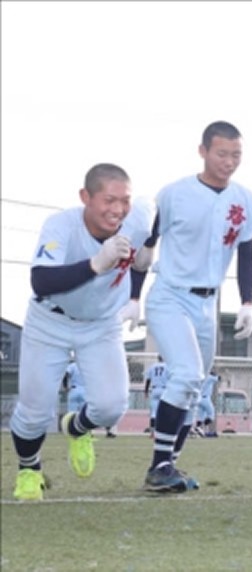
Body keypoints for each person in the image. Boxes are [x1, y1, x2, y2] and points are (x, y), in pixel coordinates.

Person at [9, 163, 153, 501]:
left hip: (101, 323)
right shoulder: (61, 225)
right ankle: (29, 469)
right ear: (85, 197)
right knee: (34, 411)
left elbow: (152, 223)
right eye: (109, 200)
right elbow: (41, 281)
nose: (118, 209)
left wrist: (136, 293)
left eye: (124, 200)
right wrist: (95, 264)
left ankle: (76, 427)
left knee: (111, 407)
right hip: (50, 321)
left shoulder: (138, 217)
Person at [142, 121, 252, 493]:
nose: (229, 162)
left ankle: (169, 465)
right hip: (170, 294)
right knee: (185, 374)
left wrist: (247, 302)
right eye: (222, 153)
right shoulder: (174, 194)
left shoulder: (245, 199)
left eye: (236, 155)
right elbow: (146, 245)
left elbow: (247, 253)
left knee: (195, 387)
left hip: (209, 303)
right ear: (203, 151)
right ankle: (159, 467)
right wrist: (132, 298)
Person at [63, 360, 118, 438]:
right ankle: (87, 431)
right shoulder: (88, 366)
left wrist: (65, 386)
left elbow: (66, 375)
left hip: (74, 390)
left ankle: (70, 430)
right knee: (85, 413)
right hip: (86, 391)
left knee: (71, 413)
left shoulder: (73, 366)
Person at [144, 355, 168, 435]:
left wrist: (146, 391)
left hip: (154, 389)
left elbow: (148, 380)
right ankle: (163, 430)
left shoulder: (152, 367)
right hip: (164, 389)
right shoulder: (168, 367)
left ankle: (152, 431)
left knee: (154, 412)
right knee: (165, 411)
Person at [193, 370, 220, 438]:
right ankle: (202, 429)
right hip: (205, 398)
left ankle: (199, 429)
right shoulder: (209, 377)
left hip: (199, 398)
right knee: (211, 415)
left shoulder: (201, 376)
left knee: (201, 417)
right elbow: (218, 378)